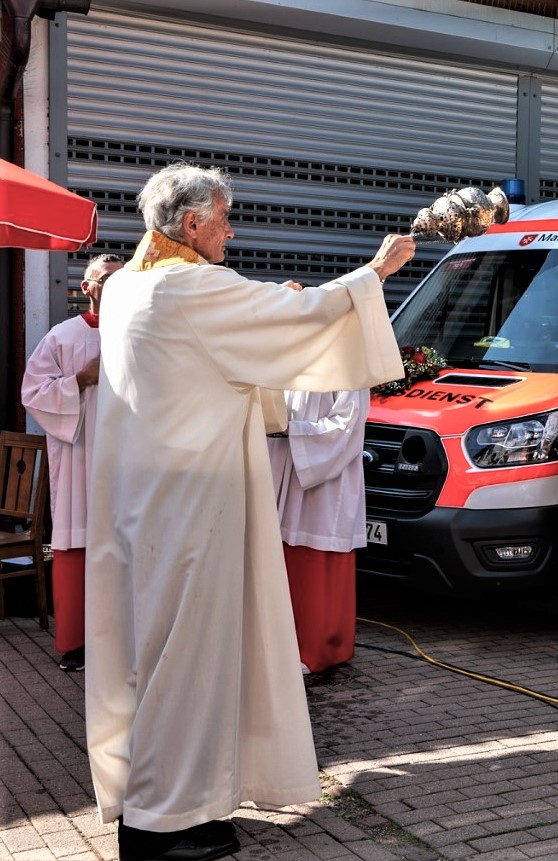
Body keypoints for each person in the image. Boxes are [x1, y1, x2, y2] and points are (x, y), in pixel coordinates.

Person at [85, 162, 412, 861]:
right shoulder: (190, 287)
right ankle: (156, 827)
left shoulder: (127, 287)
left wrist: (270, 314)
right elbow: (297, 320)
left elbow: (222, 353)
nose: (231, 232)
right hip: (191, 509)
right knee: (185, 660)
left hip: (144, 504)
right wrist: (374, 273)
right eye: (225, 219)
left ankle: (186, 806)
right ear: (192, 223)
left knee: (165, 656)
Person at [20, 252, 124, 673]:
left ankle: (123, 641)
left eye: (123, 280)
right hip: (81, 456)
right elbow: (32, 393)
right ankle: (78, 644)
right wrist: (80, 379)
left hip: (127, 462)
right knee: (78, 542)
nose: (116, 287)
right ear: (87, 288)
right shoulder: (62, 337)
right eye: (107, 280)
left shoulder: (142, 336)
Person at [268, 388, 369, 674]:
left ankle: (317, 649)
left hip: (326, 481)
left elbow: (347, 424)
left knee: (315, 549)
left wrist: (292, 431)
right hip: (281, 466)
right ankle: (280, 645)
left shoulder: (348, 367)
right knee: (279, 551)